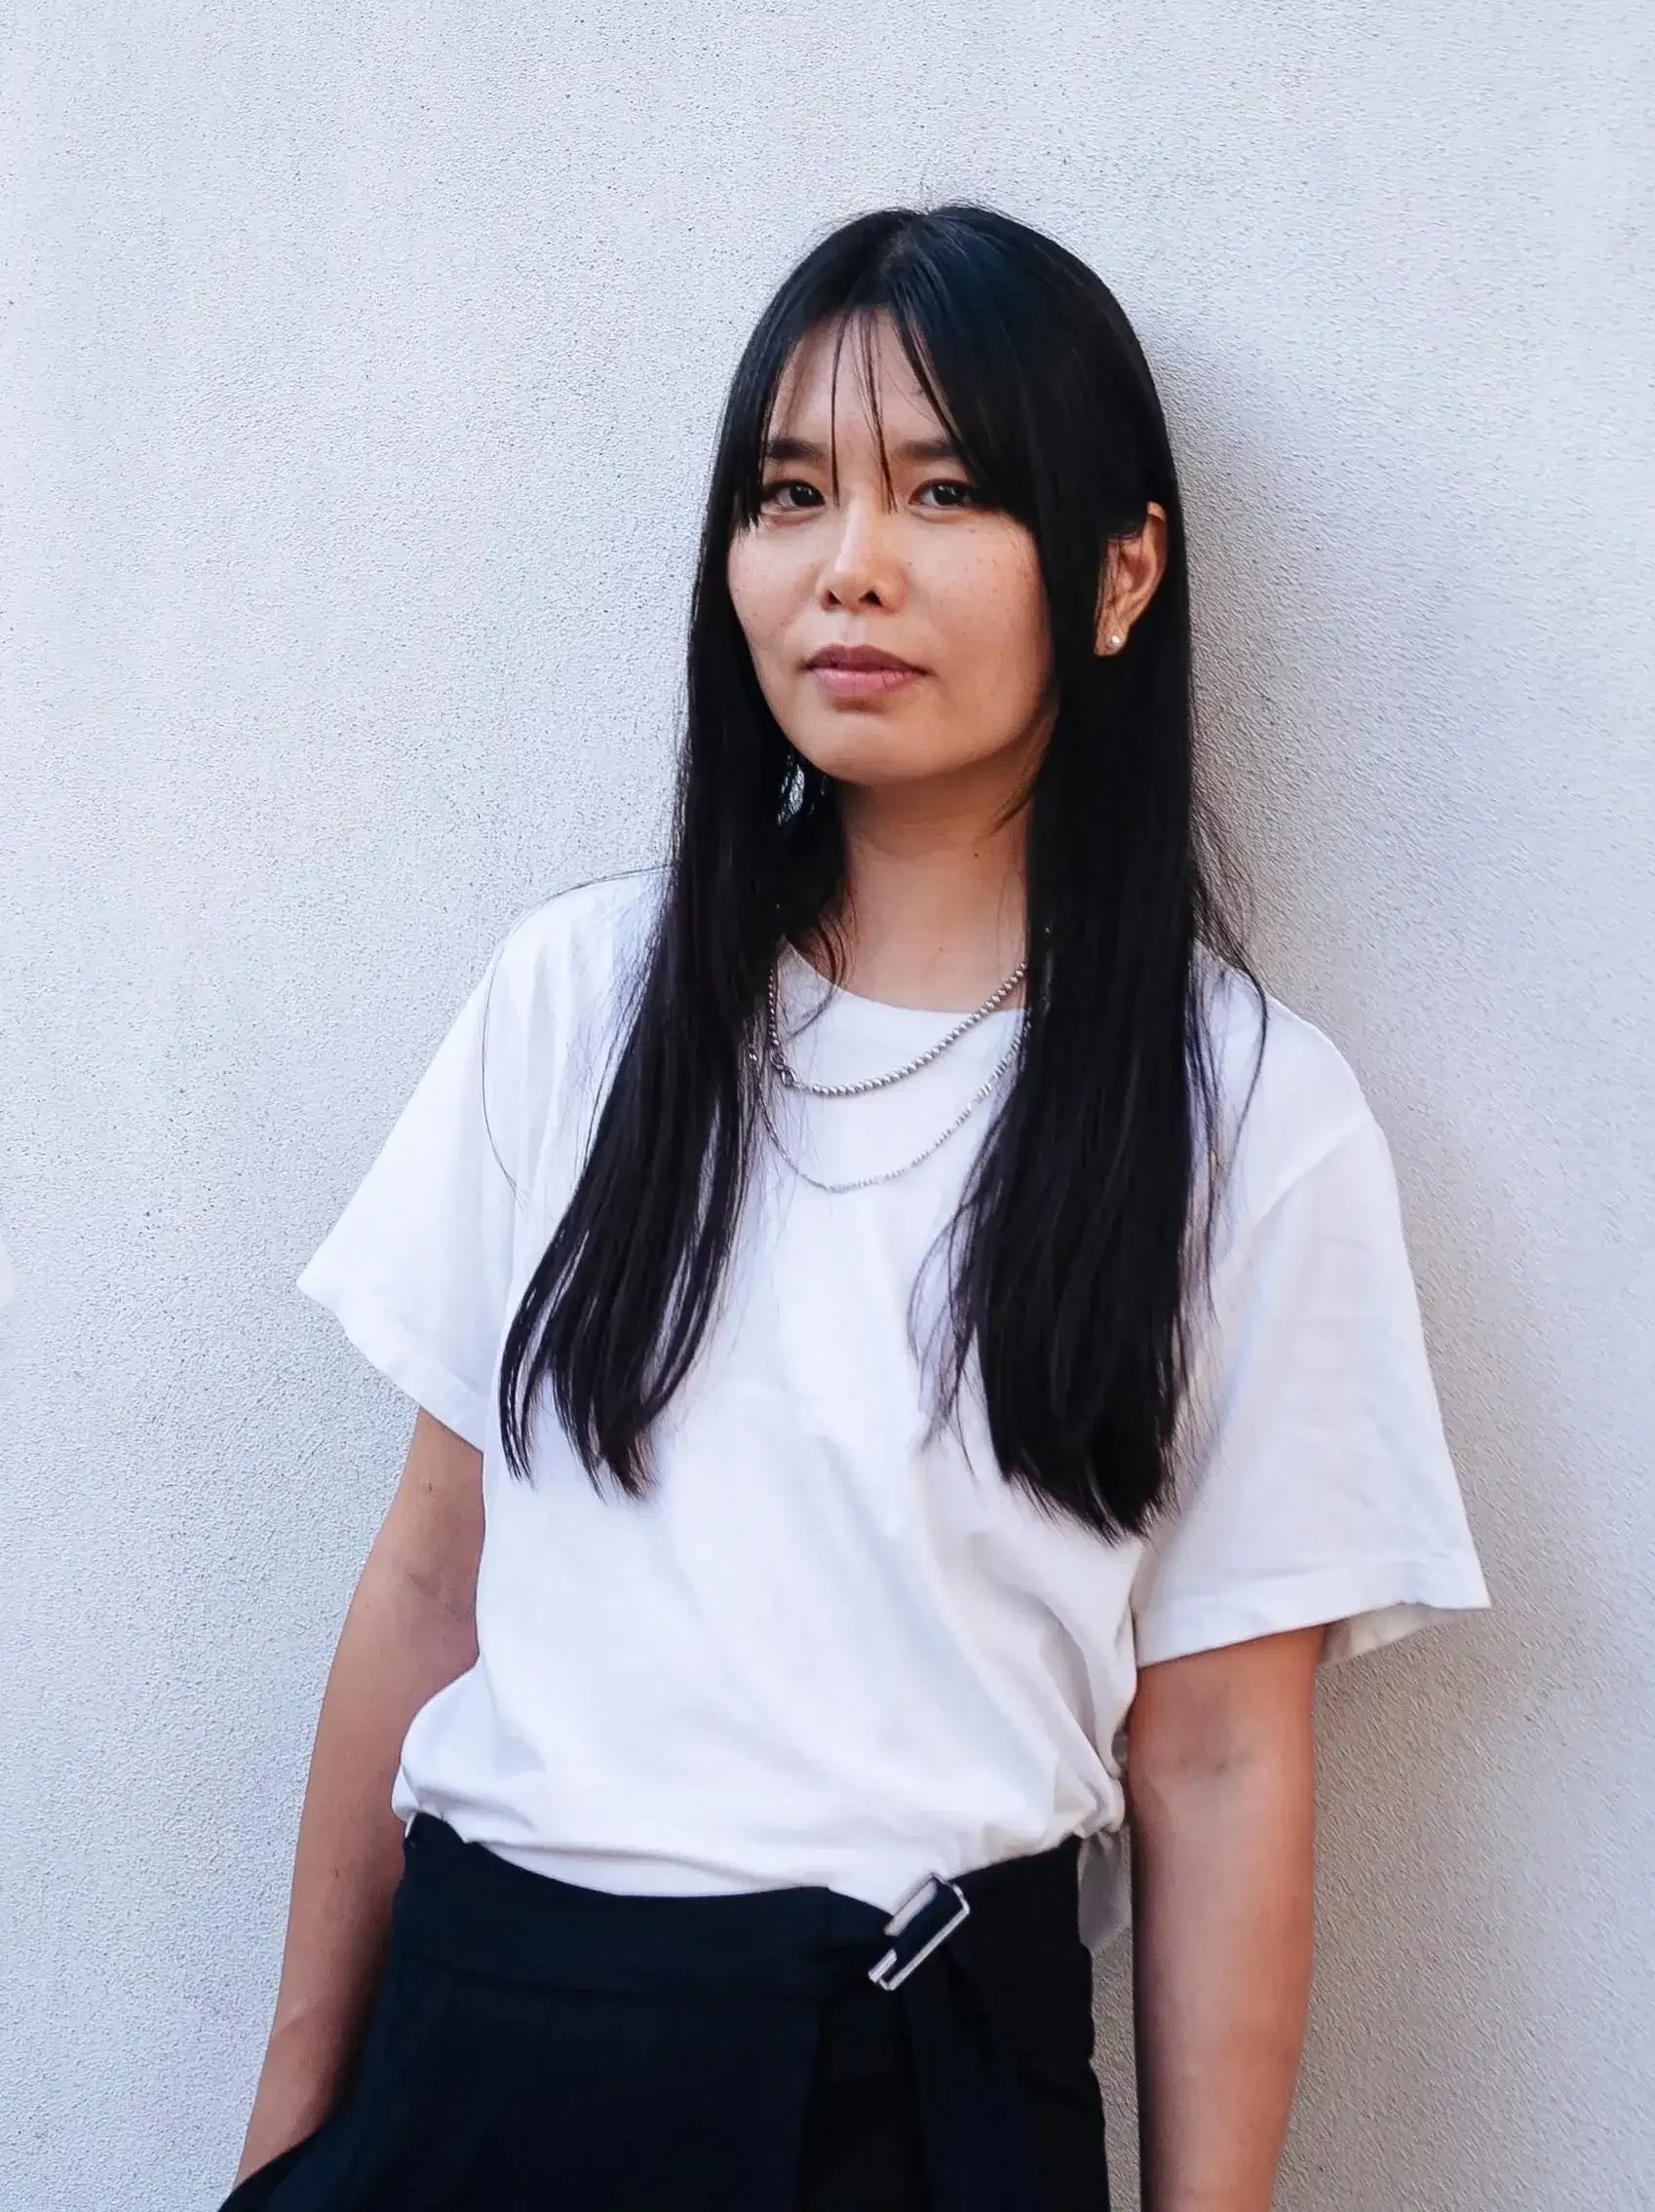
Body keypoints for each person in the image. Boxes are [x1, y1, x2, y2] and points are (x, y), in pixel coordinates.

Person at [224, 204, 1489, 2212]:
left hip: (897, 2088)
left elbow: (1223, 1763)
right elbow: (426, 1583)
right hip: (480, 2048)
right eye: (789, 493)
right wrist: (289, 2143)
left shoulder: (1244, 1112)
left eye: (947, 489)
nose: (849, 566)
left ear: (1117, 570)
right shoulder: (582, 1006)